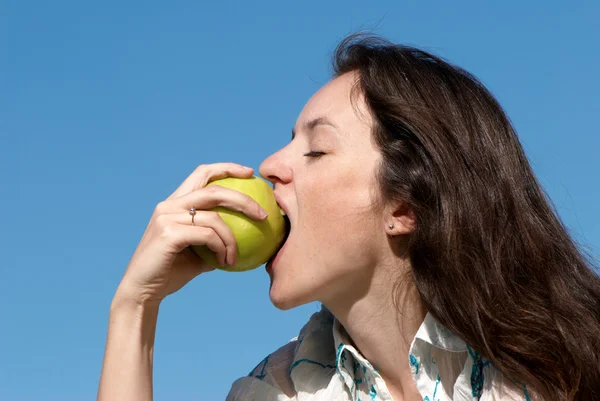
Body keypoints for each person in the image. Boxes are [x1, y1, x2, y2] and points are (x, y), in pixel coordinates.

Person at [97, 33, 600, 401]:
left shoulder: (568, 369)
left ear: (405, 207)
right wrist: (134, 307)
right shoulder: (278, 393)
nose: (270, 166)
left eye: (315, 149)